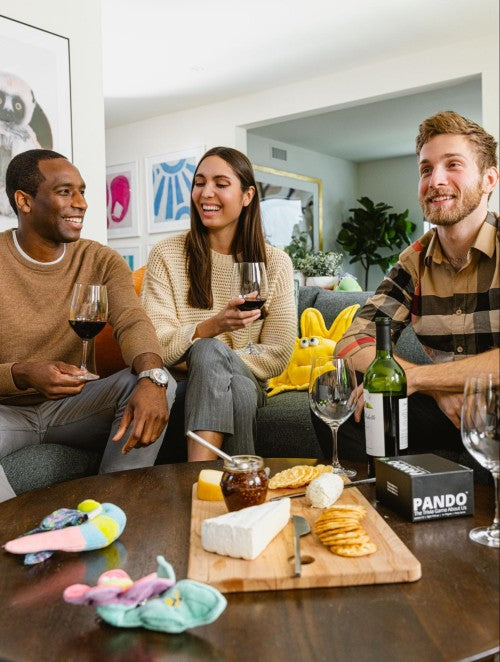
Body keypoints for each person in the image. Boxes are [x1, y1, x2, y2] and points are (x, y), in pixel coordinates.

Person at [318, 111, 499, 469]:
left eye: (453, 165)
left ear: (489, 179)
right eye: (426, 169)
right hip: (445, 410)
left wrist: (416, 378)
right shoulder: (414, 260)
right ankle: (372, 513)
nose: (436, 180)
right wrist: (436, 389)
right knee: (341, 395)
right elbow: (353, 343)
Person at [0, 149, 175, 502]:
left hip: (77, 405)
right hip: (6, 411)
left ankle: (112, 513)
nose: (81, 203)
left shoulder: (101, 260)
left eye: (82, 191)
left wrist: (152, 377)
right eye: (65, 192)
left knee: (157, 381)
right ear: (24, 201)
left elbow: (132, 321)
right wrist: (22, 372)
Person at [141, 146, 296, 461]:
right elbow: (154, 343)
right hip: (183, 386)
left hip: (249, 380)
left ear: (247, 195)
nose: (205, 193)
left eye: (221, 184)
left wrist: (209, 356)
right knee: (214, 359)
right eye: (199, 182)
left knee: (215, 358)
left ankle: (197, 481)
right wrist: (212, 328)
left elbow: (278, 353)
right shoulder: (166, 254)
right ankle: (242, 493)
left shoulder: (275, 263)